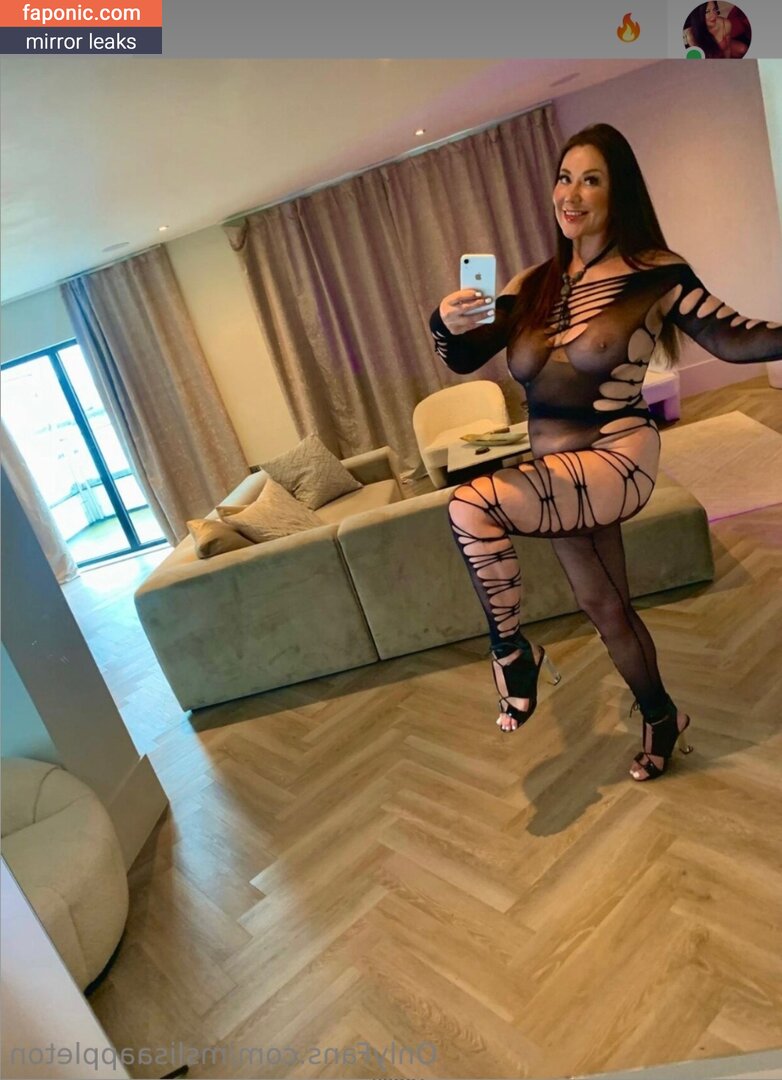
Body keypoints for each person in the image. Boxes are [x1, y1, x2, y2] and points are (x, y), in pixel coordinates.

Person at [429, 123, 782, 781]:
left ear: (619, 192)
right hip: (558, 473)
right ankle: (662, 716)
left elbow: (735, 338)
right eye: (564, 178)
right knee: (605, 606)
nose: (572, 193)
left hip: (616, 457)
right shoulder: (534, 283)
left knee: (471, 506)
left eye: (591, 179)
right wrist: (444, 324)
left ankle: (510, 653)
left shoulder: (656, 274)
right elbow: (464, 356)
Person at [683, 2, 750, 58]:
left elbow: (727, 48)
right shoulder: (691, 34)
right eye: (707, 11)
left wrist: (727, 61)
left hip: (722, 49)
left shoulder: (725, 24)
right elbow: (700, 59)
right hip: (709, 57)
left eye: (714, 9)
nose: (714, 15)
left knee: (743, 49)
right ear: (697, 14)